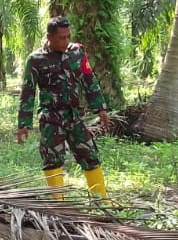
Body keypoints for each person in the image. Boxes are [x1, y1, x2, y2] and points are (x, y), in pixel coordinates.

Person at [16, 16, 110, 197]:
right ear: (49, 37)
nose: (66, 41)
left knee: (90, 155)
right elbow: (28, 92)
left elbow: (89, 80)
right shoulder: (36, 59)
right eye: (61, 37)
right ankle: (59, 205)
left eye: (68, 36)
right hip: (51, 118)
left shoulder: (77, 52)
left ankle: (101, 200)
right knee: (53, 160)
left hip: (75, 116)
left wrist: (101, 108)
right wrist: (23, 125)